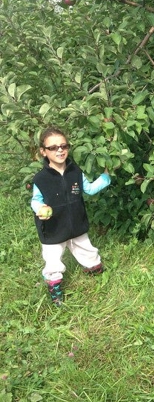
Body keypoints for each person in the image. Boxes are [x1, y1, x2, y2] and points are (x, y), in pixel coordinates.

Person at [31, 127, 111, 306]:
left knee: (87, 249)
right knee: (52, 259)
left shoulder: (75, 171)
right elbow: (35, 200)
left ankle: (94, 269)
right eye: (53, 147)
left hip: (76, 222)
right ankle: (55, 286)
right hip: (53, 228)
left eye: (63, 145)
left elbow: (88, 189)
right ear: (43, 152)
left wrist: (106, 177)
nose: (59, 150)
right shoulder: (40, 179)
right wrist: (39, 208)